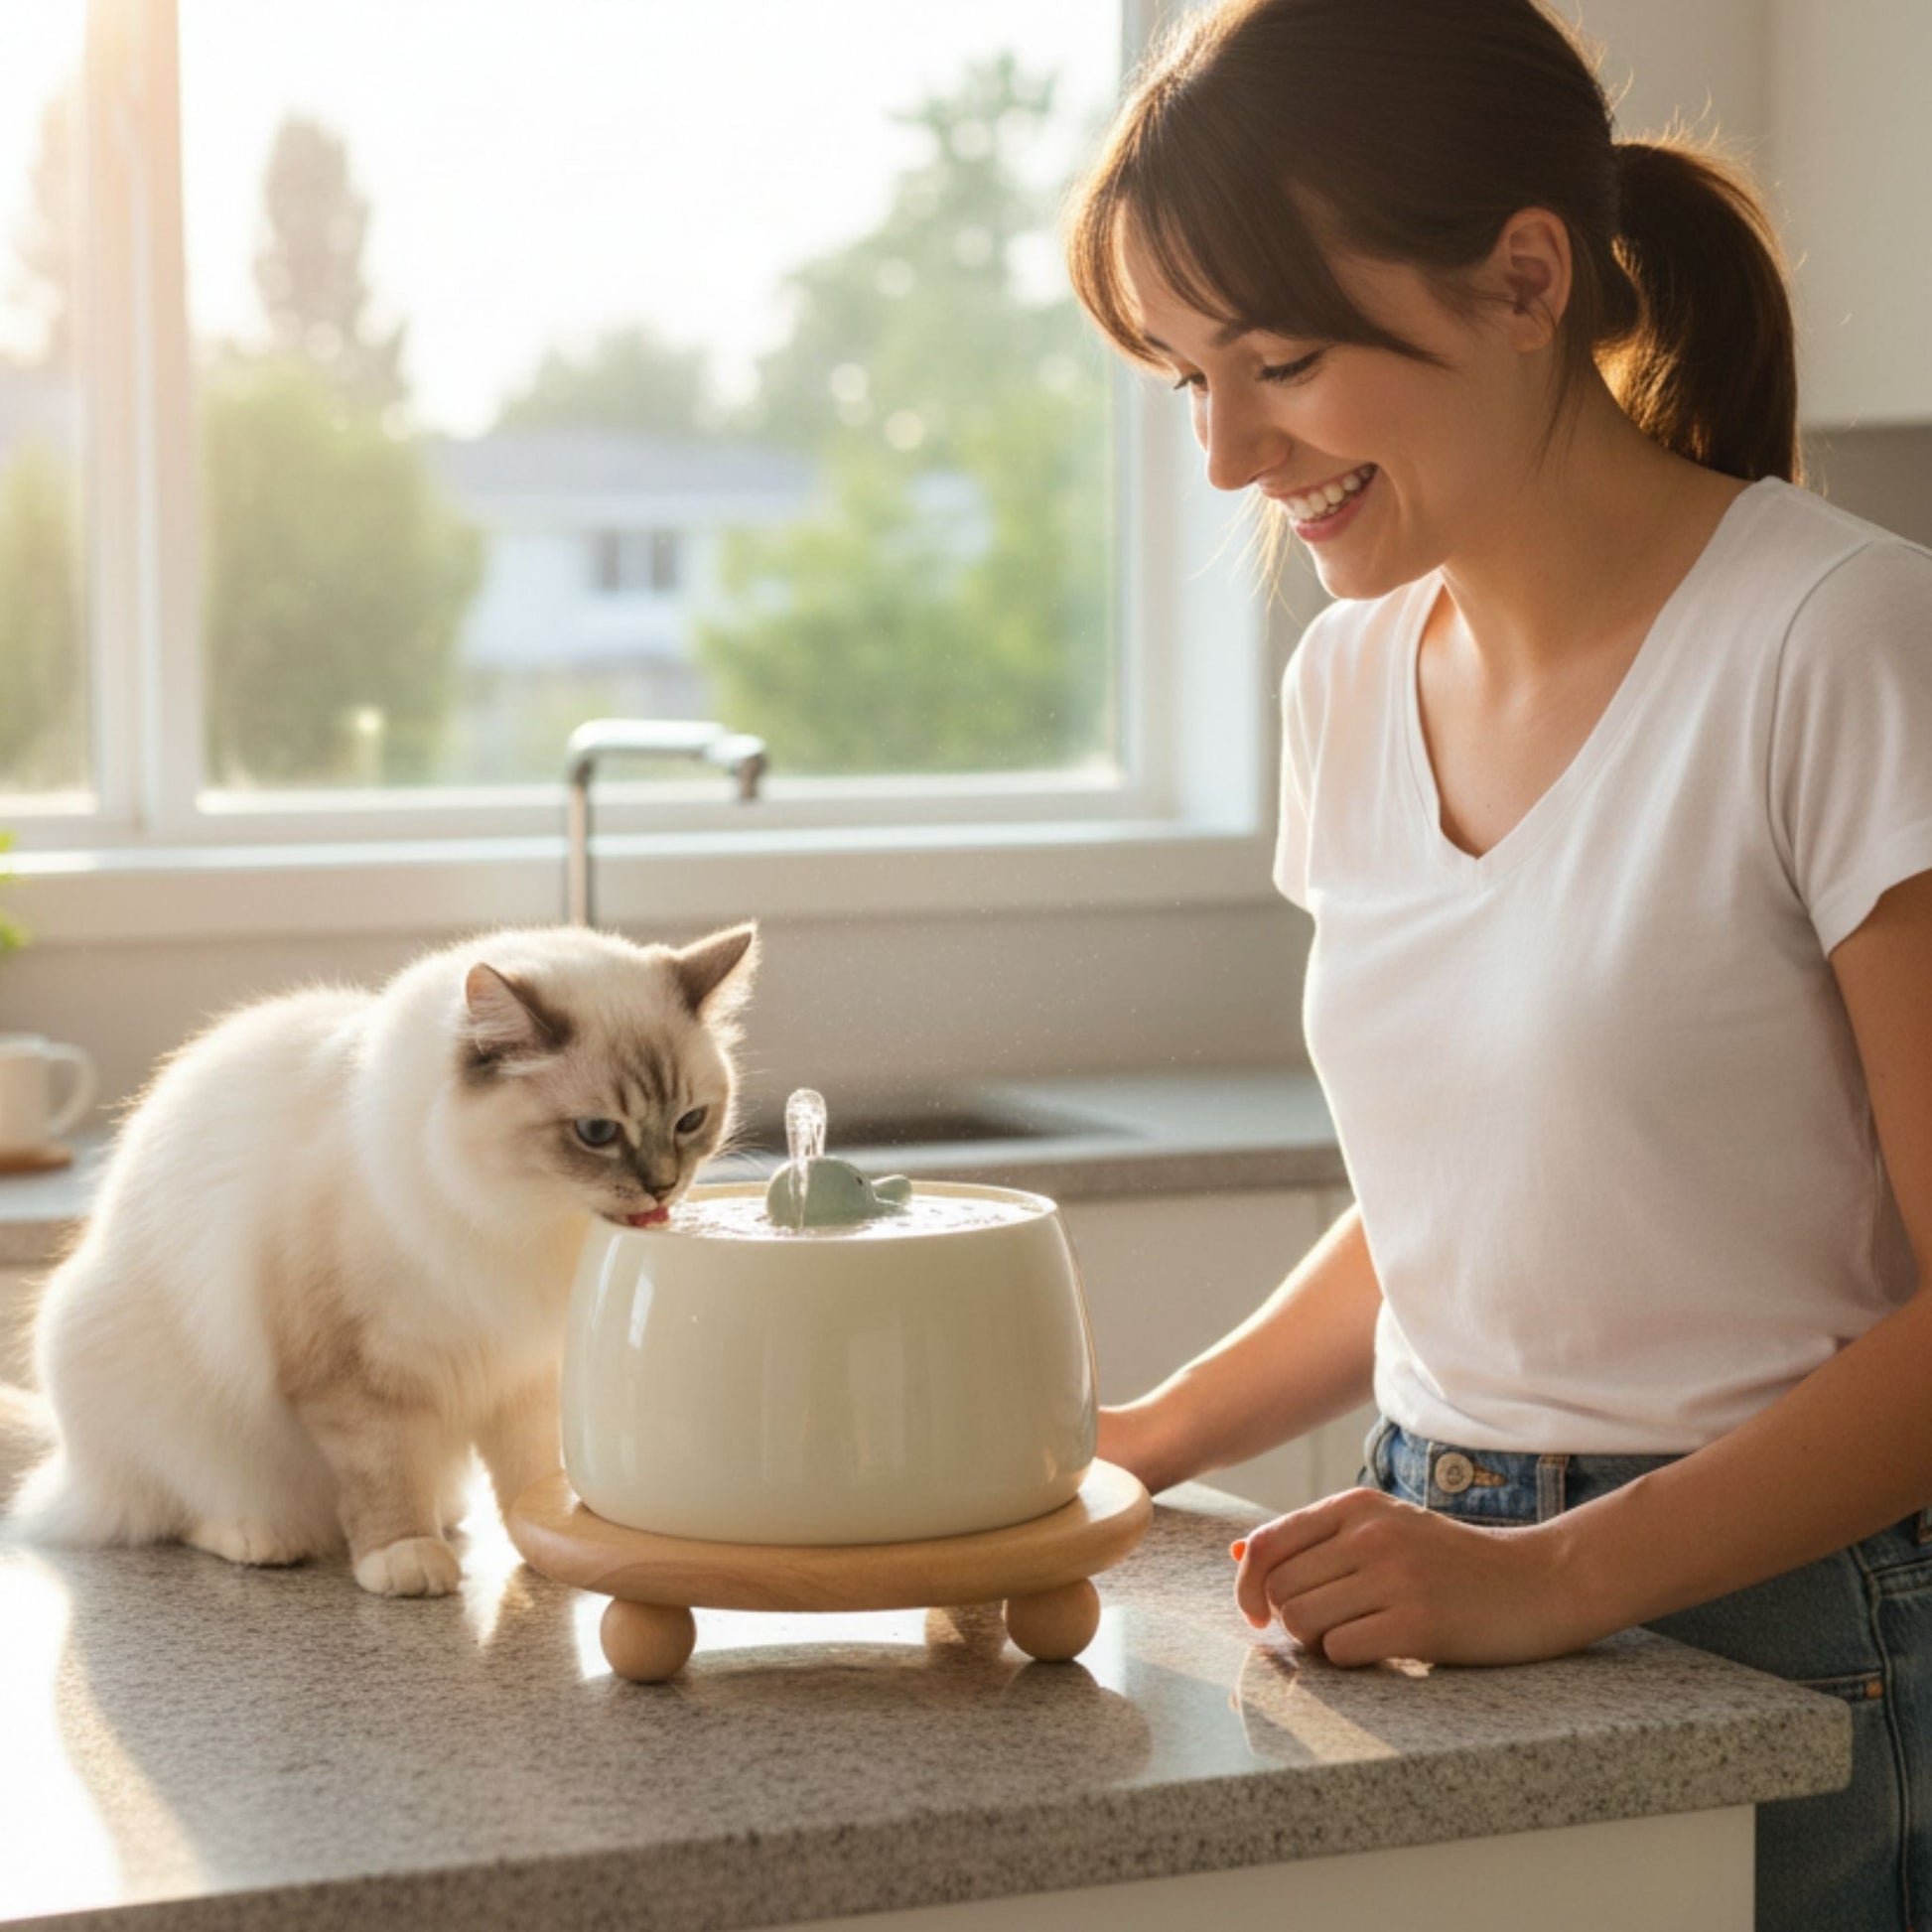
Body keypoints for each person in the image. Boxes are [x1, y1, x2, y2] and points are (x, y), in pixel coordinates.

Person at [1062, 1, 1932, 1924]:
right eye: (1184, 379)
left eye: (1276, 360)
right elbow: (1468, 1204)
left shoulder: (1839, 642)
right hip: (1419, 1567)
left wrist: (1555, 1575)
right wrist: (1134, 1436)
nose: (1222, 457)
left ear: (1525, 276)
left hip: (1785, 1616)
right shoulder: (1346, 683)